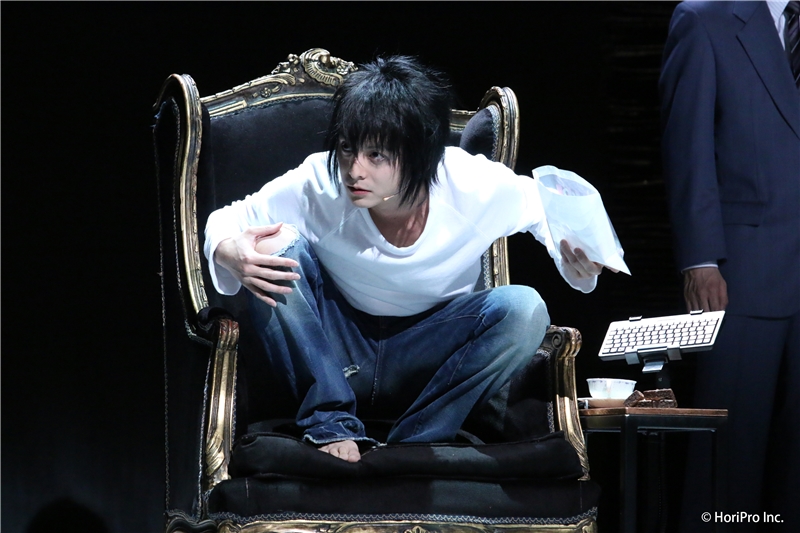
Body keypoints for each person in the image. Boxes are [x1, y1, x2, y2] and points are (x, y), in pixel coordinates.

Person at [205, 55, 614, 463]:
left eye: (376, 155)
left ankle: (415, 441)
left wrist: (575, 256)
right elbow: (226, 221)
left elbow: (547, 212)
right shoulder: (319, 183)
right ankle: (329, 422)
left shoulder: (473, 184)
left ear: (420, 153)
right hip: (337, 351)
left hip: (429, 355)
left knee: (525, 308)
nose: (354, 171)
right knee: (271, 245)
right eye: (347, 148)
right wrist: (229, 251)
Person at [659, 1, 800, 530]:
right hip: (744, 274)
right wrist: (700, 259)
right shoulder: (705, 19)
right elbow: (686, 146)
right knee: (729, 457)